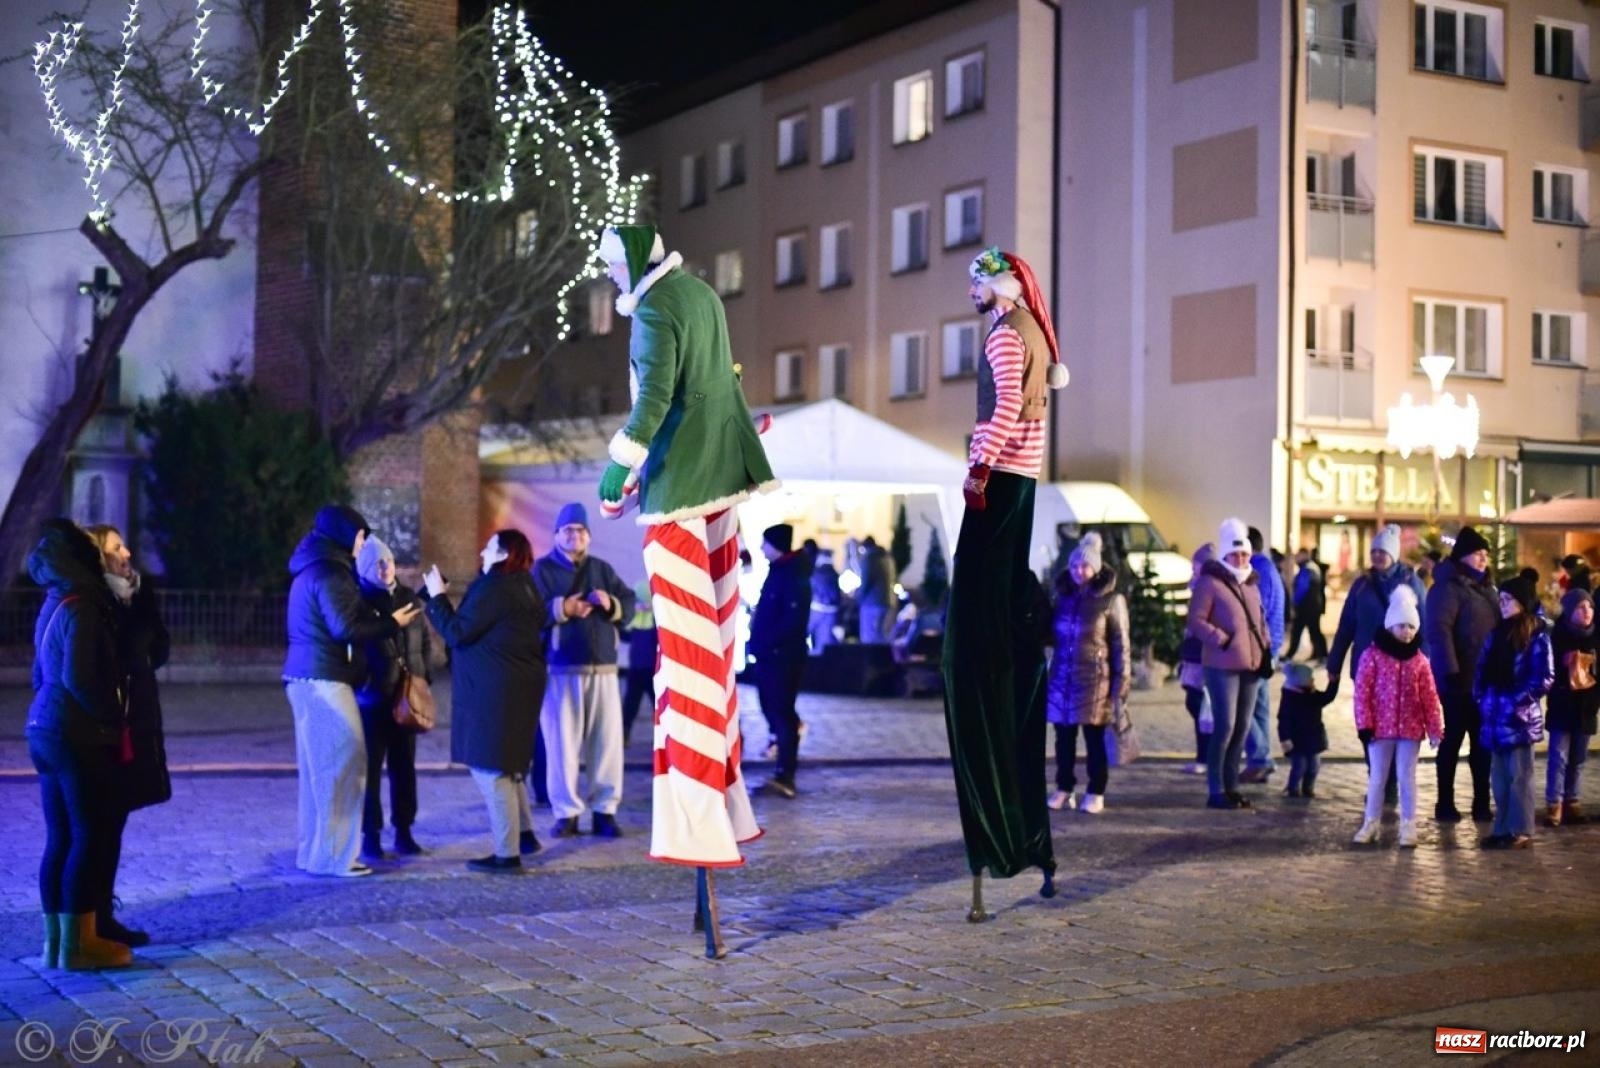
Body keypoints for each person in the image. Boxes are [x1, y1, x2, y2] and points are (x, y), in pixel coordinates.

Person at [594, 223, 776, 886]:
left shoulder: (651, 309)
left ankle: (696, 814)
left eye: (615, 267)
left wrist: (622, 466)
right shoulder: (702, 294)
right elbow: (718, 381)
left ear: (635, 263)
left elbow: (655, 399)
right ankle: (728, 800)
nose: (613, 278)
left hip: (678, 492)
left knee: (689, 654)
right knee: (718, 650)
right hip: (723, 479)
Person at [942, 244, 1069, 918]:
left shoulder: (1004, 337)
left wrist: (976, 468)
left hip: (1004, 483)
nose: (971, 287)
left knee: (977, 617)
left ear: (1002, 285)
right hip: (1025, 485)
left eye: (978, 279)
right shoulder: (1035, 333)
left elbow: (1001, 416)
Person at [284, 505, 417, 878]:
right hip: (325, 679)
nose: (363, 545)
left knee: (318, 775)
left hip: (307, 676)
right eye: (361, 536)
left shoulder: (311, 567)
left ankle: (314, 853)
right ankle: (337, 857)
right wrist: (392, 622)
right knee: (343, 769)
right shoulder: (332, 572)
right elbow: (346, 628)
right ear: (346, 535)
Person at [27, 520, 133, 970]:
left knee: (61, 837)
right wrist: (113, 714)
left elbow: (42, 673)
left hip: (44, 727)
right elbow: (80, 677)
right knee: (87, 836)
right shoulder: (83, 604)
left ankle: (57, 943)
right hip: (76, 733)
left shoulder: (53, 599)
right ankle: (80, 945)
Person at [423, 530, 547, 872]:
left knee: (490, 768)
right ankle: (524, 835)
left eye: (489, 547)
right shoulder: (524, 585)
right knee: (508, 764)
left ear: (504, 553)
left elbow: (458, 632)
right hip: (518, 685)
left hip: (494, 690)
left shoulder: (495, 587)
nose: (482, 551)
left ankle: (507, 854)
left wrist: (436, 598)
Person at [84, 524, 171, 948]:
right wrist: (140, 619)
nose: (128, 552)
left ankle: (104, 912)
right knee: (97, 824)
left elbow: (159, 649)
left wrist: (143, 610)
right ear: (100, 555)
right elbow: (129, 647)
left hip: (136, 715)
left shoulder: (139, 595)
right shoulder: (96, 600)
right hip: (105, 724)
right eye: (117, 547)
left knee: (115, 820)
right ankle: (91, 919)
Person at [531, 503, 634, 839]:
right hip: (560, 668)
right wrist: (562, 608)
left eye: (580, 531)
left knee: (606, 744)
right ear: (557, 534)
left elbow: (629, 605)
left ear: (588, 536)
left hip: (604, 668)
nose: (575, 536)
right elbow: (529, 612)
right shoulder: (542, 570)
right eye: (568, 530)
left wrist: (611, 605)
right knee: (561, 745)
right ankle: (567, 812)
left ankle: (605, 810)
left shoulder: (602, 569)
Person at [1325, 525, 1424, 808]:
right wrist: (1334, 662)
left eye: (1383, 551)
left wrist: (1424, 667)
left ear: (1393, 554)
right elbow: (1346, 626)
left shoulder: (1410, 583)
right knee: (1369, 725)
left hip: (1402, 669)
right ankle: (1378, 777)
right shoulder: (1362, 585)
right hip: (1367, 668)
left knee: (1397, 726)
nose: (1378, 556)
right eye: (1374, 551)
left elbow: (1424, 628)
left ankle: (1391, 781)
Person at [353, 536, 428, 861]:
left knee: (404, 768)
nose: (385, 568)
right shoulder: (359, 602)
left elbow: (423, 640)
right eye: (378, 564)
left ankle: (404, 830)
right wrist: (365, 682)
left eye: (389, 562)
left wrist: (423, 676)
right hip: (373, 699)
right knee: (370, 771)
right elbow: (353, 646)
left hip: (406, 697)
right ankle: (371, 835)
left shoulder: (408, 597)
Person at [1186, 517, 1270, 811]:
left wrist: (1265, 643)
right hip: (1221, 665)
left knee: (1242, 727)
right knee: (1225, 726)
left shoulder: (1251, 582)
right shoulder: (1210, 583)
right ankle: (1215, 788)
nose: (1241, 558)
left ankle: (1232, 786)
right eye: (1235, 554)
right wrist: (1220, 638)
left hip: (1250, 665)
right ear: (1224, 555)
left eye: (1245, 554)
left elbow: (1259, 619)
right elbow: (1196, 620)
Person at [1350, 587, 1442, 847]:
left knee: (1406, 777)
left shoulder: (1420, 661)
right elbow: (1362, 694)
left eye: (1411, 627)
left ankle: (1408, 825)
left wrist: (1435, 727)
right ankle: (1371, 822)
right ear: (1390, 625)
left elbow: (1429, 696)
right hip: (1380, 730)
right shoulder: (1372, 656)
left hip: (1410, 730)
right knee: (1378, 778)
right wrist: (1364, 725)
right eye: (1401, 626)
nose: (1406, 632)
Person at [1045, 533, 1128, 815]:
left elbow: (1121, 645)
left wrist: (1121, 685)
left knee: (1094, 739)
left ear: (1096, 568)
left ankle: (1096, 790)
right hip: (1061, 680)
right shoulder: (1062, 597)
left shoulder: (1110, 601)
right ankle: (1064, 788)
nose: (1079, 571)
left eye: (1085, 566)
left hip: (1095, 682)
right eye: (1075, 566)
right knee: (1063, 739)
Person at [1425, 526, 1500, 824]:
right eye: (1477, 554)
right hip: (1457, 681)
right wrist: (1451, 672)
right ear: (1462, 556)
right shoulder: (1447, 588)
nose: (1483, 560)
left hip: (1484, 681)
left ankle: (1481, 803)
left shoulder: (1487, 589)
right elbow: (1438, 631)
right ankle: (1445, 803)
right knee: (1453, 741)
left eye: (1485, 555)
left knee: (1482, 746)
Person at [1473, 576, 1553, 850]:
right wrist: (1481, 696)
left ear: (1522, 602)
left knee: (1520, 777)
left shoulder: (1536, 636)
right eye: (1502, 600)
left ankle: (1520, 830)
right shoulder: (1497, 634)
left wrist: (1514, 701)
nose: (1503, 604)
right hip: (1494, 716)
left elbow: (1543, 678)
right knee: (1500, 779)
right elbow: (1481, 669)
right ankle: (1503, 827)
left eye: (1508, 600)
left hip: (1518, 719)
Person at [749, 523, 811, 799]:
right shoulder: (780, 571)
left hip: (781, 657)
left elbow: (791, 619)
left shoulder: (792, 575)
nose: (761, 549)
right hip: (769, 655)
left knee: (781, 711)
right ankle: (782, 769)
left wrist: (770, 644)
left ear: (776, 545)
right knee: (772, 708)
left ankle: (786, 774)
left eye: (765, 543)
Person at [1544, 588, 1598, 828]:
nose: (1586, 612)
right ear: (1569, 611)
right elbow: (1546, 670)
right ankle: (1554, 803)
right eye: (1580, 607)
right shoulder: (1557, 636)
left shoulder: (1596, 637)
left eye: (1589, 607)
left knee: (1578, 757)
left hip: (1587, 706)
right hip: (1563, 703)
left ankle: (1572, 801)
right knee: (1559, 756)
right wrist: (1563, 662)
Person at [1242, 528, 1286, 784]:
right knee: (1257, 705)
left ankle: (1259, 758)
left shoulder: (1259, 571)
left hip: (1261, 647)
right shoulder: (1265, 568)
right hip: (1267, 646)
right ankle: (1260, 759)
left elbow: (1259, 609)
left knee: (1244, 704)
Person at [1177, 544, 1216, 775]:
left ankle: (1206, 756)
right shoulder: (1197, 588)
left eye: (1196, 565)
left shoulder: (1209, 590)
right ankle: (1203, 756)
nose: (1193, 569)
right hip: (1192, 655)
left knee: (1200, 706)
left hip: (1203, 656)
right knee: (1196, 704)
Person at [1276, 662, 1335, 800]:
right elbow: (1283, 720)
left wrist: (1333, 683)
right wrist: (1285, 738)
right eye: (1310, 678)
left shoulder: (1311, 695)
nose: (1313, 680)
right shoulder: (1290, 699)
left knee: (1314, 766)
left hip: (1313, 738)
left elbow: (1327, 697)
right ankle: (1293, 788)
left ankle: (1308, 788)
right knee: (1300, 766)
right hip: (1297, 741)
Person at [621, 578, 657, 745]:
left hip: (652, 670)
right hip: (636, 668)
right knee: (630, 705)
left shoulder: (657, 620)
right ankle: (624, 734)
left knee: (659, 704)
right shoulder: (635, 618)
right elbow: (625, 635)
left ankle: (666, 735)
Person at [1284, 548, 1327, 662]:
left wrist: (1295, 602)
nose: (1296, 558)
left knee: (1298, 630)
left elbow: (1302, 589)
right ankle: (1320, 654)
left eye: (1298, 555)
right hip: (1314, 605)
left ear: (1304, 555)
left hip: (1306, 606)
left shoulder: (1307, 569)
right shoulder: (1312, 567)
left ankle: (1290, 655)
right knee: (1314, 630)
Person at [858, 536, 896, 645]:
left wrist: (858, 599)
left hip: (871, 603)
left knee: (869, 635)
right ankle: (880, 658)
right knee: (880, 633)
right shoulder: (886, 558)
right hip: (885, 601)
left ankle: (871, 659)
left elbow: (865, 582)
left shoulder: (869, 559)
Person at [808, 548, 842, 655]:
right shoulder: (834, 574)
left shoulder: (815, 572)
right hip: (830, 612)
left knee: (813, 638)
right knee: (825, 641)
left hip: (816, 609)